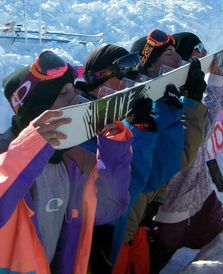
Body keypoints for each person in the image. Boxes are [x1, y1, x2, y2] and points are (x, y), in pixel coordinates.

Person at [0, 50, 133, 274]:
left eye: (73, 90)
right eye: (64, 93)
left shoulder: (71, 159)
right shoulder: (6, 155)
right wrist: (30, 147)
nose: (78, 100)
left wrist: (113, 147)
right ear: (37, 110)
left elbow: (110, 206)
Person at [109, 29, 208, 274]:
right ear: (150, 66)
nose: (179, 60)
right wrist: (191, 102)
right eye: (170, 54)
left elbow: (175, 159)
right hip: (119, 230)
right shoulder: (138, 106)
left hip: (137, 224)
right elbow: (174, 161)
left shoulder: (163, 100)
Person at [149, 32, 223, 273]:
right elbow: (201, 131)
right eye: (198, 47)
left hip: (202, 200)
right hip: (171, 213)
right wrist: (217, 80)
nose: (204, 50)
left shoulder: (192, 87)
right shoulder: (167, 104)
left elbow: (218, 109)